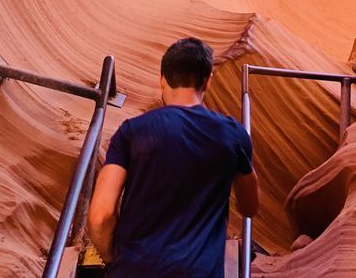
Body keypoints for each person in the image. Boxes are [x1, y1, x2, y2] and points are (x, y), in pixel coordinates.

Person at [88, 37, 259, 277]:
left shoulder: (132, 131)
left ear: (162, 79)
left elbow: (101, 215)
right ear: (207, 81)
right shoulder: (233, 134)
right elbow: (250, 207)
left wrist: (112, 258)